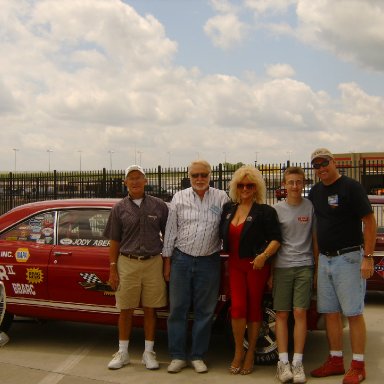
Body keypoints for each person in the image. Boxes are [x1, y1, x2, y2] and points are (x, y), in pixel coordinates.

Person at [308, 148, 377, 384]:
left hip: (349, 258)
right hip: (325, 259)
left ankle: (358, 365)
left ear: (333, 162)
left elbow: (369, 222)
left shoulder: (351, 187)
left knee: (354, 313)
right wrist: (317, 263)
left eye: (324, 163)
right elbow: (316, 227)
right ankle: (335, 360)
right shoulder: (316, 192)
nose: (321, 169)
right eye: (316, 165)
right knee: (330, 313)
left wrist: (368, 257)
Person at [162, 160, 229, 374]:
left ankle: (198, 355)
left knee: (205, 311)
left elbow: (227, 228)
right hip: (181, 259)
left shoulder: (222, 197)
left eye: (203, 175)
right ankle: (178, 356)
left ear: (210, 175)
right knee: (178, 310)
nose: (199, 179)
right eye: (195, 175)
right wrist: (167, 261)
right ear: (189, 176)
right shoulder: (179, 198)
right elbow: (171, 232)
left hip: (210, 261)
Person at [103, 165, 169, 371]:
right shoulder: (119, 208)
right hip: (127, 262)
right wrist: (113, 268)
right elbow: (114, 240)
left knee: (151, 309)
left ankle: (149, 353)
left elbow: (168, 238)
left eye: (138, 177)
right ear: (125, 183)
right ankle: (122, 352)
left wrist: (167, 264)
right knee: (126, 309)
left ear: (145, 181)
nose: (135, 181)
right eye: (130, 178)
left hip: (153, 263)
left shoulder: (159, 206)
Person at [220, 165, 281, 375]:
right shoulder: (228, 209)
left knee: (254, 309)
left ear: (256, 188)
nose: (245, 188)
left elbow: (276, 239)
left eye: (250, 185)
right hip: (235, 266)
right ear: (236, 187)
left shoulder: (265, 212)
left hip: (255, 266)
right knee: (237, 309)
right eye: (241, 185)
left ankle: (251, 352)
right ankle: (239, 351)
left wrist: (264, 256)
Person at [272, 166, 318, 383]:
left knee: (300, 313)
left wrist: (316, 268)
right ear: (284, 184)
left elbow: (315, 240)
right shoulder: (277, 210)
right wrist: (271, 272)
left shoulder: (310, 207)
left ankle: (297, 362)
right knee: (281, 314)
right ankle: (283, 363)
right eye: (290, 182)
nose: (294, 186)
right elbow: (273, 243)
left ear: (303, 184)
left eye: (298, 182)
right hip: (282, 267)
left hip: (304, 266)